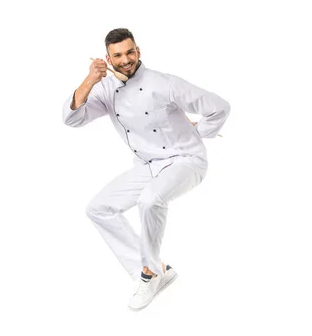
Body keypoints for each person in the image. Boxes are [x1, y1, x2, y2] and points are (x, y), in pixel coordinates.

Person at [62, 28, 230, 310]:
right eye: (118, 55)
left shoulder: (163, 83)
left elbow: (220, 107)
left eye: (130, 52)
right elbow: (72, 119)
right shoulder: (104, 88)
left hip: (186, 159)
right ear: (108, 58)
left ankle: (149, 273)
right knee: (98, 208)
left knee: (150, 199)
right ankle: (156, 268)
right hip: (148, 165)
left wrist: (198, 132)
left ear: (138, 51)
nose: (125, 59)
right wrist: (91, 79)